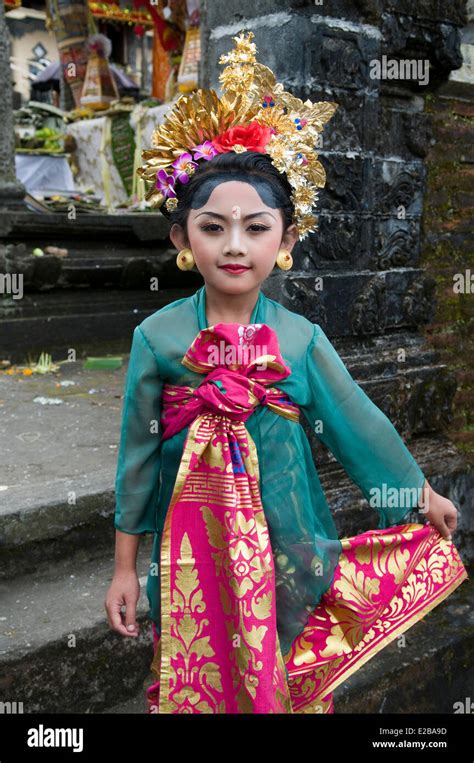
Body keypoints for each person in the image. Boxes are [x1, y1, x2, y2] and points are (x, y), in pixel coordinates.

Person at [104, 31, 468, 714]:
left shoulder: (299, 340)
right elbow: (137, 459)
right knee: (200, 672)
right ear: (183, 238)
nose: (235, 245)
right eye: (212, 227)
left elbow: (357, 424)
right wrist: (125, 567)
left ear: (288, 239)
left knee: (281, 672)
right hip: (191, 554)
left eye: (256, 227)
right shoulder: (157, 338)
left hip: (286, 543)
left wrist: (418, 495)